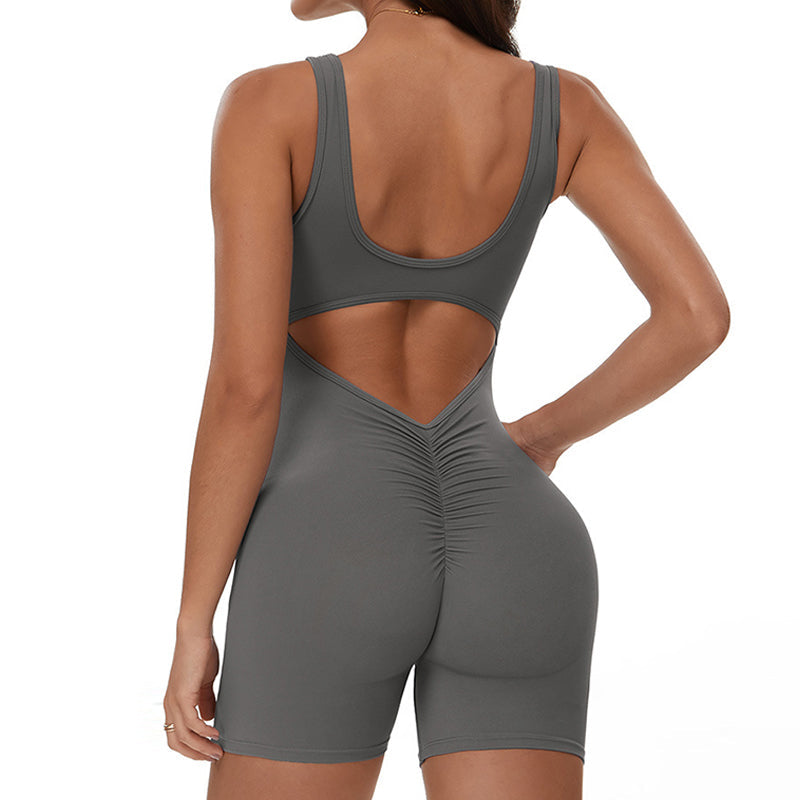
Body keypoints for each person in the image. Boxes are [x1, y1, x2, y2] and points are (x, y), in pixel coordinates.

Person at [162, 1, 730, 798]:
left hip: (329, 541)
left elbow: (245, 391)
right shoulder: (566, 107)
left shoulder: (270, 104)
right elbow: (697, 318)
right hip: (519, 543)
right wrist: (539, 439)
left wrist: (195, 619)